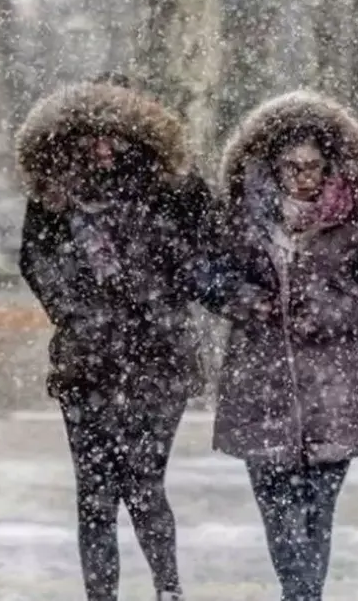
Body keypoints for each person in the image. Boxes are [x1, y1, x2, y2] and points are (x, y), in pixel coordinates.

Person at [16, 81, 213, 601]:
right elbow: (34, 258)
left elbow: (204, 254)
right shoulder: (56, 193)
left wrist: (163, 296)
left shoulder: (175, 188)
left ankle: (168, 590)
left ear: (138, 134)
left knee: (145, 485)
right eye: (91, 137)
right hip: (87, 361)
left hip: (160, 356)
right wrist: (73, 311)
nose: (103, 149)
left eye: (115, 136)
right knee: (95, 497)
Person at [203, 91, 358, 601]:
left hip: (334, 388)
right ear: (271, 165)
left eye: (313, 165)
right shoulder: (241, 217)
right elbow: (206, 273)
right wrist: (244, 300)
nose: (303, 175)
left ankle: (303, 597)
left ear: (330, 165)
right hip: (260, 385)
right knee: (279, 514)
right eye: (291, 165)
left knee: (318, 511)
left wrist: (337, 311)